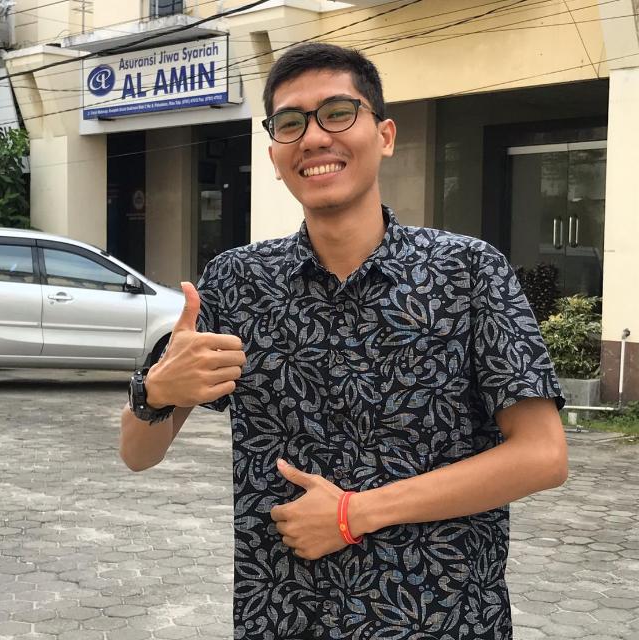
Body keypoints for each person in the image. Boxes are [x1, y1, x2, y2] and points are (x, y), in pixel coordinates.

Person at [120, 42, 568, 640]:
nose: (313, 137)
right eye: (289, 123)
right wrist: (156, 391)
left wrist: (354, 514)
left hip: (442, 616)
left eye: (337, 113)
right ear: (274, 155)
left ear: (384, 135)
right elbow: (137, 454)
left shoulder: (468, 272)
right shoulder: (236, 282)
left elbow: (543, 454)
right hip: (284, 614)